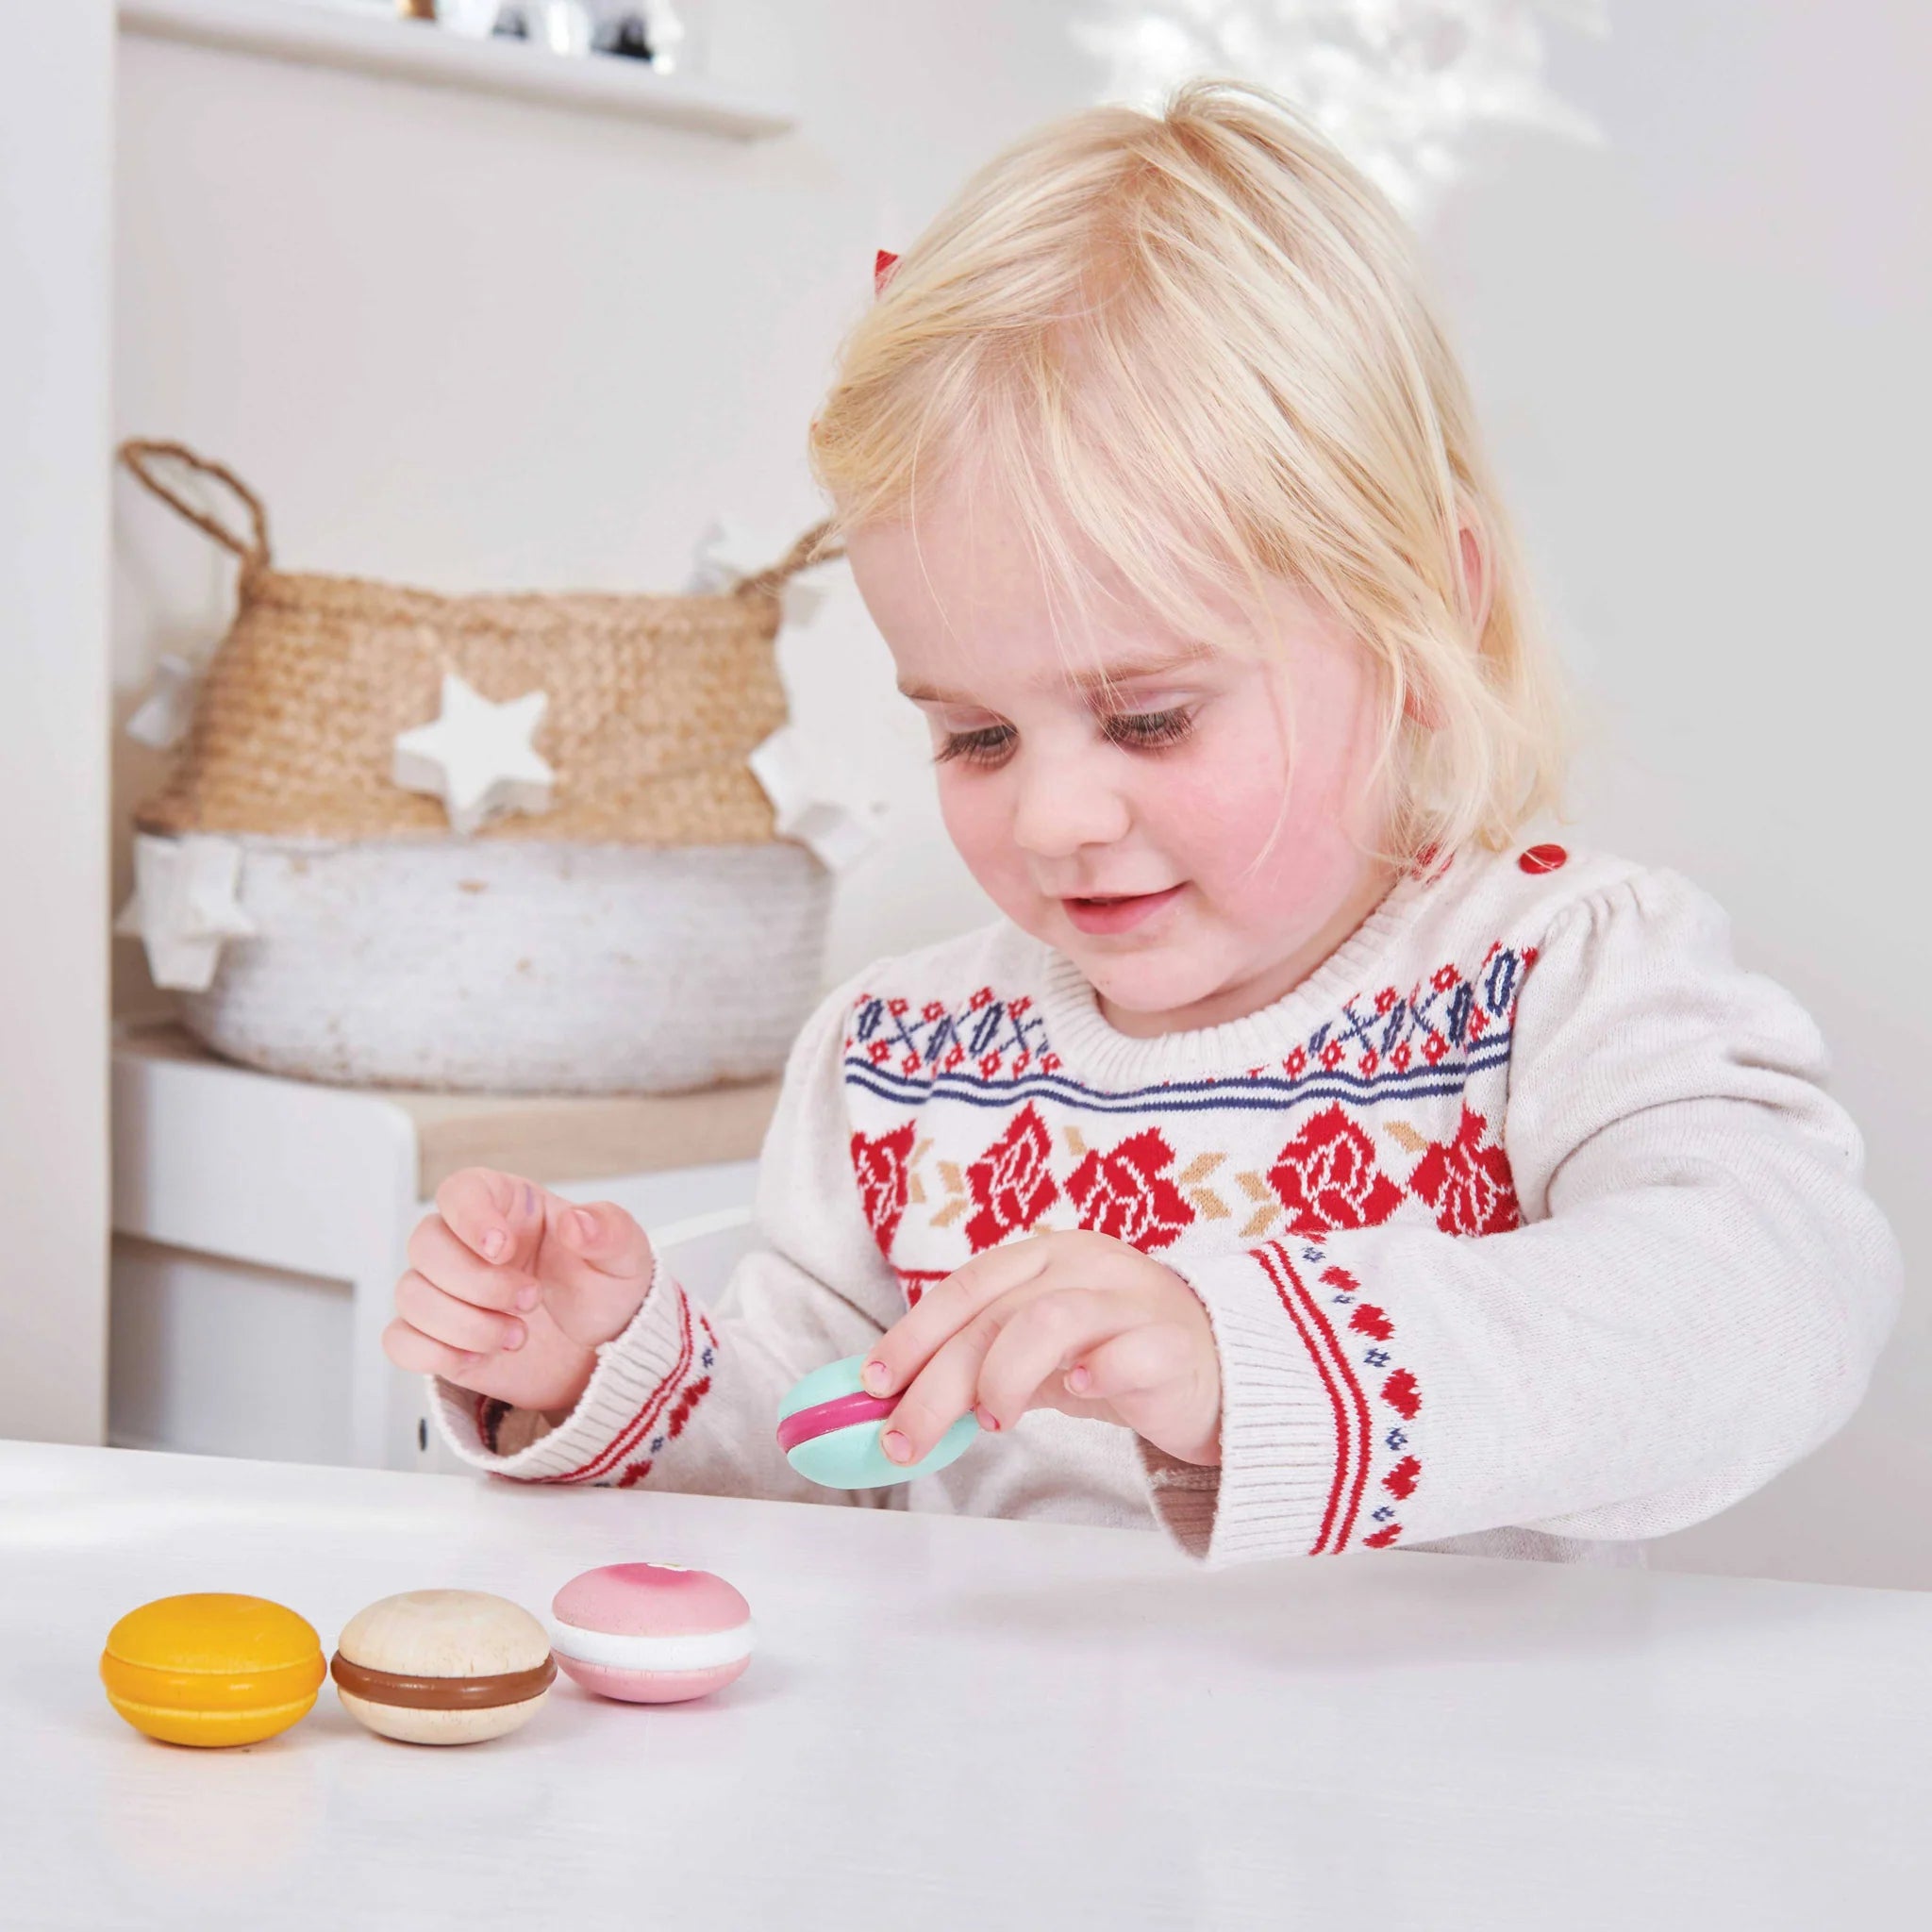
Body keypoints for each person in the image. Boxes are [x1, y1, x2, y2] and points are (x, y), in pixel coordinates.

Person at [384, 80, 1898, 1565]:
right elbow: (820, 1453)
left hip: (1436, 1803)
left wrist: (1245, 1361)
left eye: (1152, 717)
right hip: (992, 1793)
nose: (1055, 815)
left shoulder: (1556, 978)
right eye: (975, 734)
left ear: (1421, 616)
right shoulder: (903, 1062)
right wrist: (612, 1379)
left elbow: (1774, 1300)